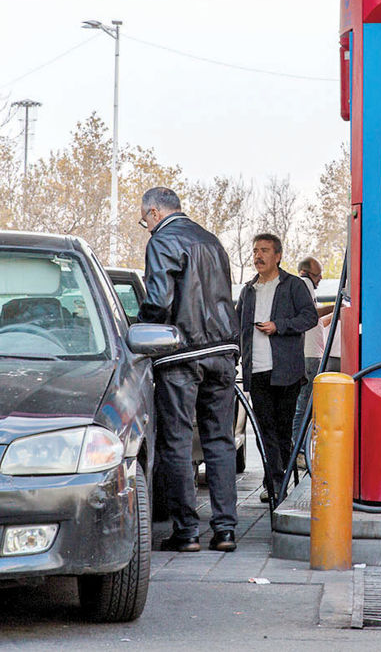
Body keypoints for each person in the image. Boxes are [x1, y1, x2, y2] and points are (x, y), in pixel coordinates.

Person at [138, 186, 241, 554]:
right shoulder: (212, 241)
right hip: (222, 352)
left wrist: (140, 328)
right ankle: (225, 530)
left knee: (177, 441)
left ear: (154, 213)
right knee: (220, 441)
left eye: (144, 220)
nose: (147, 226)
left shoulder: (162, 240)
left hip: (181, 354)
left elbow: (157, 300)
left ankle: (187, 532)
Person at [235, 234, 318, 503]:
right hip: (256, 371)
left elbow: (310, 317)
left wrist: (278, 326)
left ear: (278, 256)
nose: (258, 256)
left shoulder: (293, 285)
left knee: (282, 429)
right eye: (255, 251)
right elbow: (237, 327)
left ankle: (280, 477)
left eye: (264, 250)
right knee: (264, 429)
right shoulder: (248, 290)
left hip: (286, 371)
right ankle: (274, 480)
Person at [290, 256, 332, 461]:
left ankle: (299, 448)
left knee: (306, 405)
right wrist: (336, 306)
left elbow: (316, 322)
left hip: (310, 354)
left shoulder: (306, 290)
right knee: (304, 406)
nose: (321, 278)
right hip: (309, 356)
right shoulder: (304, 283)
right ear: (306, 273)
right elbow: (312, 315)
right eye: (318, 274)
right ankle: (298, 451)